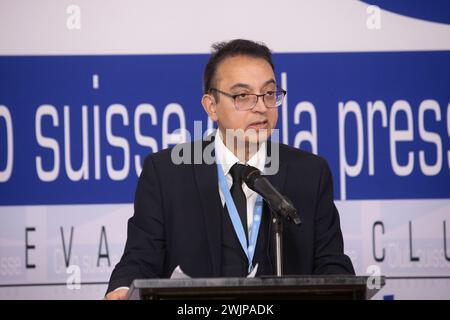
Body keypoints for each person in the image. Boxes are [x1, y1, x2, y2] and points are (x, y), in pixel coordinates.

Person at [105, 39, 354, 300]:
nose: (261, 107)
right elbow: (140, 257)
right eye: (242, 96)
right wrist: (122, 290)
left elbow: (332, 264)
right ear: (211, 106)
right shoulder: (167, 173)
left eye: (269, 93)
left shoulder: (310, 173)